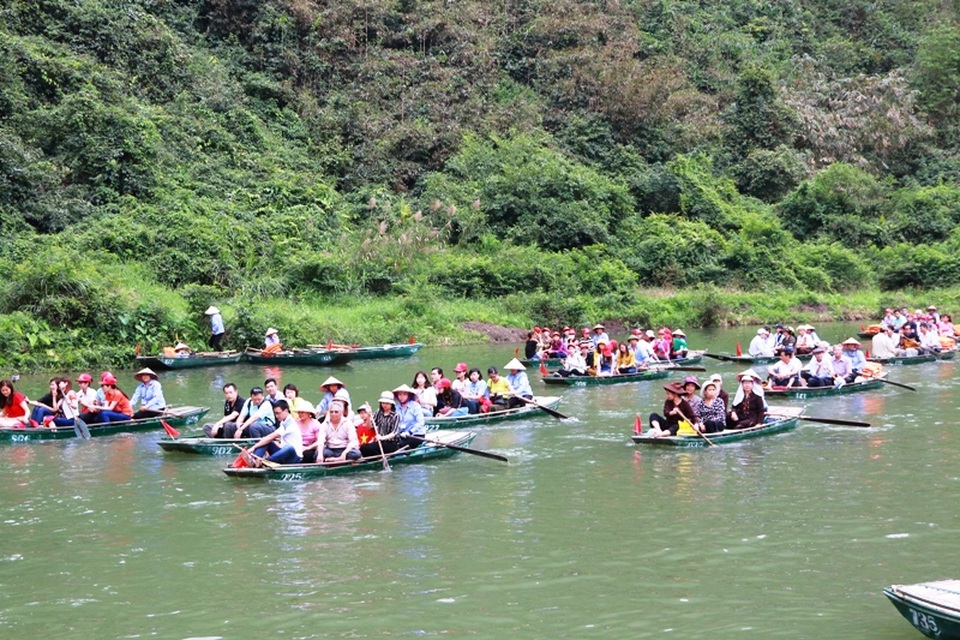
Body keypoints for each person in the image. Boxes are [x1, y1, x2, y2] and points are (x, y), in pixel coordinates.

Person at [248, 399, 302, 466]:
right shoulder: (283, 421)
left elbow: (271, 437)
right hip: (284, 455)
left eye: (278, 413)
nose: (276, 416)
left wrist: (253, 447)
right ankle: (255, 459)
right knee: (265, 442)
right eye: (275, 413)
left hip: (294, 458)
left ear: (286, 411)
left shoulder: (290, 423)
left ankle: (265, 461)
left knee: (289, 448)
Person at [359, 391, 402, 457]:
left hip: (391, 443)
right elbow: (369, 427)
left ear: (391, 404)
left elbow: (394, 433)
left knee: (367, 448)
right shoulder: (379, 412)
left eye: (387, 403)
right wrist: (369, 416)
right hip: (380, 441)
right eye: (383, 403)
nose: (384, 405)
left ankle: (379, 458)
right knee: (363, 448)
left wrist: (382, 438)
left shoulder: (396, 415)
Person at [390, 384, 426, 451]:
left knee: (399, 444)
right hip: (402, 435)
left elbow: (420, 422)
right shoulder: (396, 408)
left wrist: (410, 432)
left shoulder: (415, 406)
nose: (402, 397)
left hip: (416, 435)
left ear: (408, 395)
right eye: (400, 394)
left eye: (404, 394)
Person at [294, 398, 322, 463]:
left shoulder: (315, 424)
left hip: (311, 448)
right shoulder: (295, 423)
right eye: (299, 412)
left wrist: (308, 447)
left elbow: (320, 440)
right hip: (298, 446)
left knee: (306, 454)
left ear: (308, 413)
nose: (300, 414)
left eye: (302, 412)